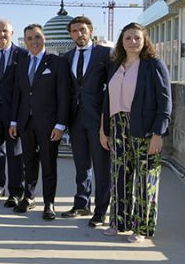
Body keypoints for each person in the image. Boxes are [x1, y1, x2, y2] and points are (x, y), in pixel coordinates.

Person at [101, 22, 171, 243]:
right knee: (119, 177)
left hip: (145, 130)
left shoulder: (154, 65)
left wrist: (158, 134)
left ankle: (141, 228)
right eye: (128, 38)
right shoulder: (115, 65)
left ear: (144, 40)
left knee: (145, 180)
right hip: (117, 127)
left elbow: (165, 102)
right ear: (122, 41)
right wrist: (104, 131)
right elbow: (107, 100)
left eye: (137, 38)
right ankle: (118, 222)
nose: (132, 42)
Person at [9, 24, 70, 221]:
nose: (33, 41)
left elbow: (63, 96)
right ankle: (29, 197)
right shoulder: (22, 63)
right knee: (29, 162)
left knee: (49, 164)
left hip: (49, 125)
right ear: (24, 42)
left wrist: (60, 125)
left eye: (37, 37)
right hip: (25, 123)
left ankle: (49, 203)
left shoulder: (57, 63)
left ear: (44, 38)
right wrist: (13, 122)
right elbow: (17, 95)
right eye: (29, 38)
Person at [62, 16, 112, 227]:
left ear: (90, 31)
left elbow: (112, 89)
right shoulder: (67, 57)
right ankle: (82, 203)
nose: (78, 34)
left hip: (98, 119)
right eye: (74, 31)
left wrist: (106, 122)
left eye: (82, 30)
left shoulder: (105, 54)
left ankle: (101, 210)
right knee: (82, 166)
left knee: (101, 167)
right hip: (75, 120)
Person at [0, 19, 27, 208]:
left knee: (15, 154)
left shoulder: (22, 55)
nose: (2, 34)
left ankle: (15, 192)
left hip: (13, 113)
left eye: (5, 31)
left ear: (12, 32)